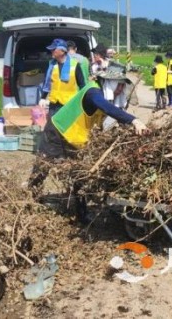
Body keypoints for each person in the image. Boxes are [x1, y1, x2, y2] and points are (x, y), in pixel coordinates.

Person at [39, 71, 149, 222]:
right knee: (43, 166)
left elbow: (110, 117)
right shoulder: (93, 92)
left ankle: (81, 214)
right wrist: (133, 120)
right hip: (58, 130)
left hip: (75, 139)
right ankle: (29, 198)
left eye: (122, 86)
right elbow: (106, 108)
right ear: (109, 83)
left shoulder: (101, 95)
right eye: (119, 85)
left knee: (80, 174)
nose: (120, 90)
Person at [39, 38, 86, 116]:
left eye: (54, 49)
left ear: (63, 51)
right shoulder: (52, 65)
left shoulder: (75, 65)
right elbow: (47, 83)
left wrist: (83, 101)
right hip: (54, 104)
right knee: (52, 127)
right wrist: (43, 98)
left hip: (69, 104)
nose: (51, 51)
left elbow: (82, 85)